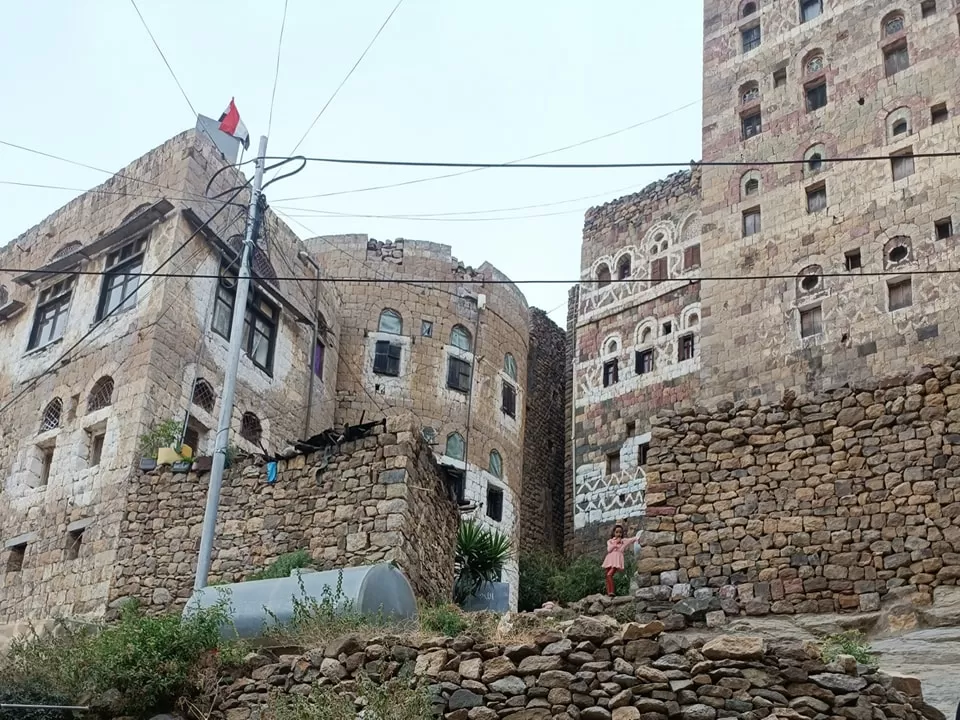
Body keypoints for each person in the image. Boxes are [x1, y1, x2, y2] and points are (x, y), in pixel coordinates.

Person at [602, 523, 639, 596]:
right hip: (609, 559)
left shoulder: (624, 541)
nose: (618, 534)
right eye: (617, 532)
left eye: (620, 532)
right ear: (614, 533)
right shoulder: (610, 541)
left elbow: (632, 539)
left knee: (610, 574)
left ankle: (612, 592)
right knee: (607, 576)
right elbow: (609, 549)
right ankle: (608, 592)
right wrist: (616, 543)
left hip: (616, 560)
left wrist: (638, 538)